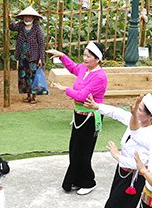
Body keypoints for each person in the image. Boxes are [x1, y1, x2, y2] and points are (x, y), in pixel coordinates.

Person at [87, 93, 152, 208]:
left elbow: (143, 163)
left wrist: (117, 156)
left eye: (140, 109)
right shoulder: (135, 121)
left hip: (134, 177)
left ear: (150, 116)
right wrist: (97, 106)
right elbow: (117, 113)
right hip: (121, 171)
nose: (135, 111)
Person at [46, 42, 108, 195]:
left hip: (90, 117)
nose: (85, 58)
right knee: (74, 149)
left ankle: (88, 182)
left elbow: (82, 96)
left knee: (84, 152)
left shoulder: (99, 77)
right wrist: (62, 56)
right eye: (84, 55)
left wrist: (65, 89)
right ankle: (76, 179)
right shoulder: (84, 68)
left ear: (97, 59)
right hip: (79, 116)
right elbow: (73, 67)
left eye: (89, 56)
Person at [10, 6, 46, 104]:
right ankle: (28, 96)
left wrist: (41, 59)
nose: (27, 19)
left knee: (33, 77)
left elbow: (42, 45)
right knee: (24, 77)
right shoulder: (21, 26)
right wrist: (8, 15)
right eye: (26, 17)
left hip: (34, 57)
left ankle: (33, 97)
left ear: (33, 18)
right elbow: (11, 26)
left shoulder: (38, 29)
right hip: (22, 56)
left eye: (29, 17)